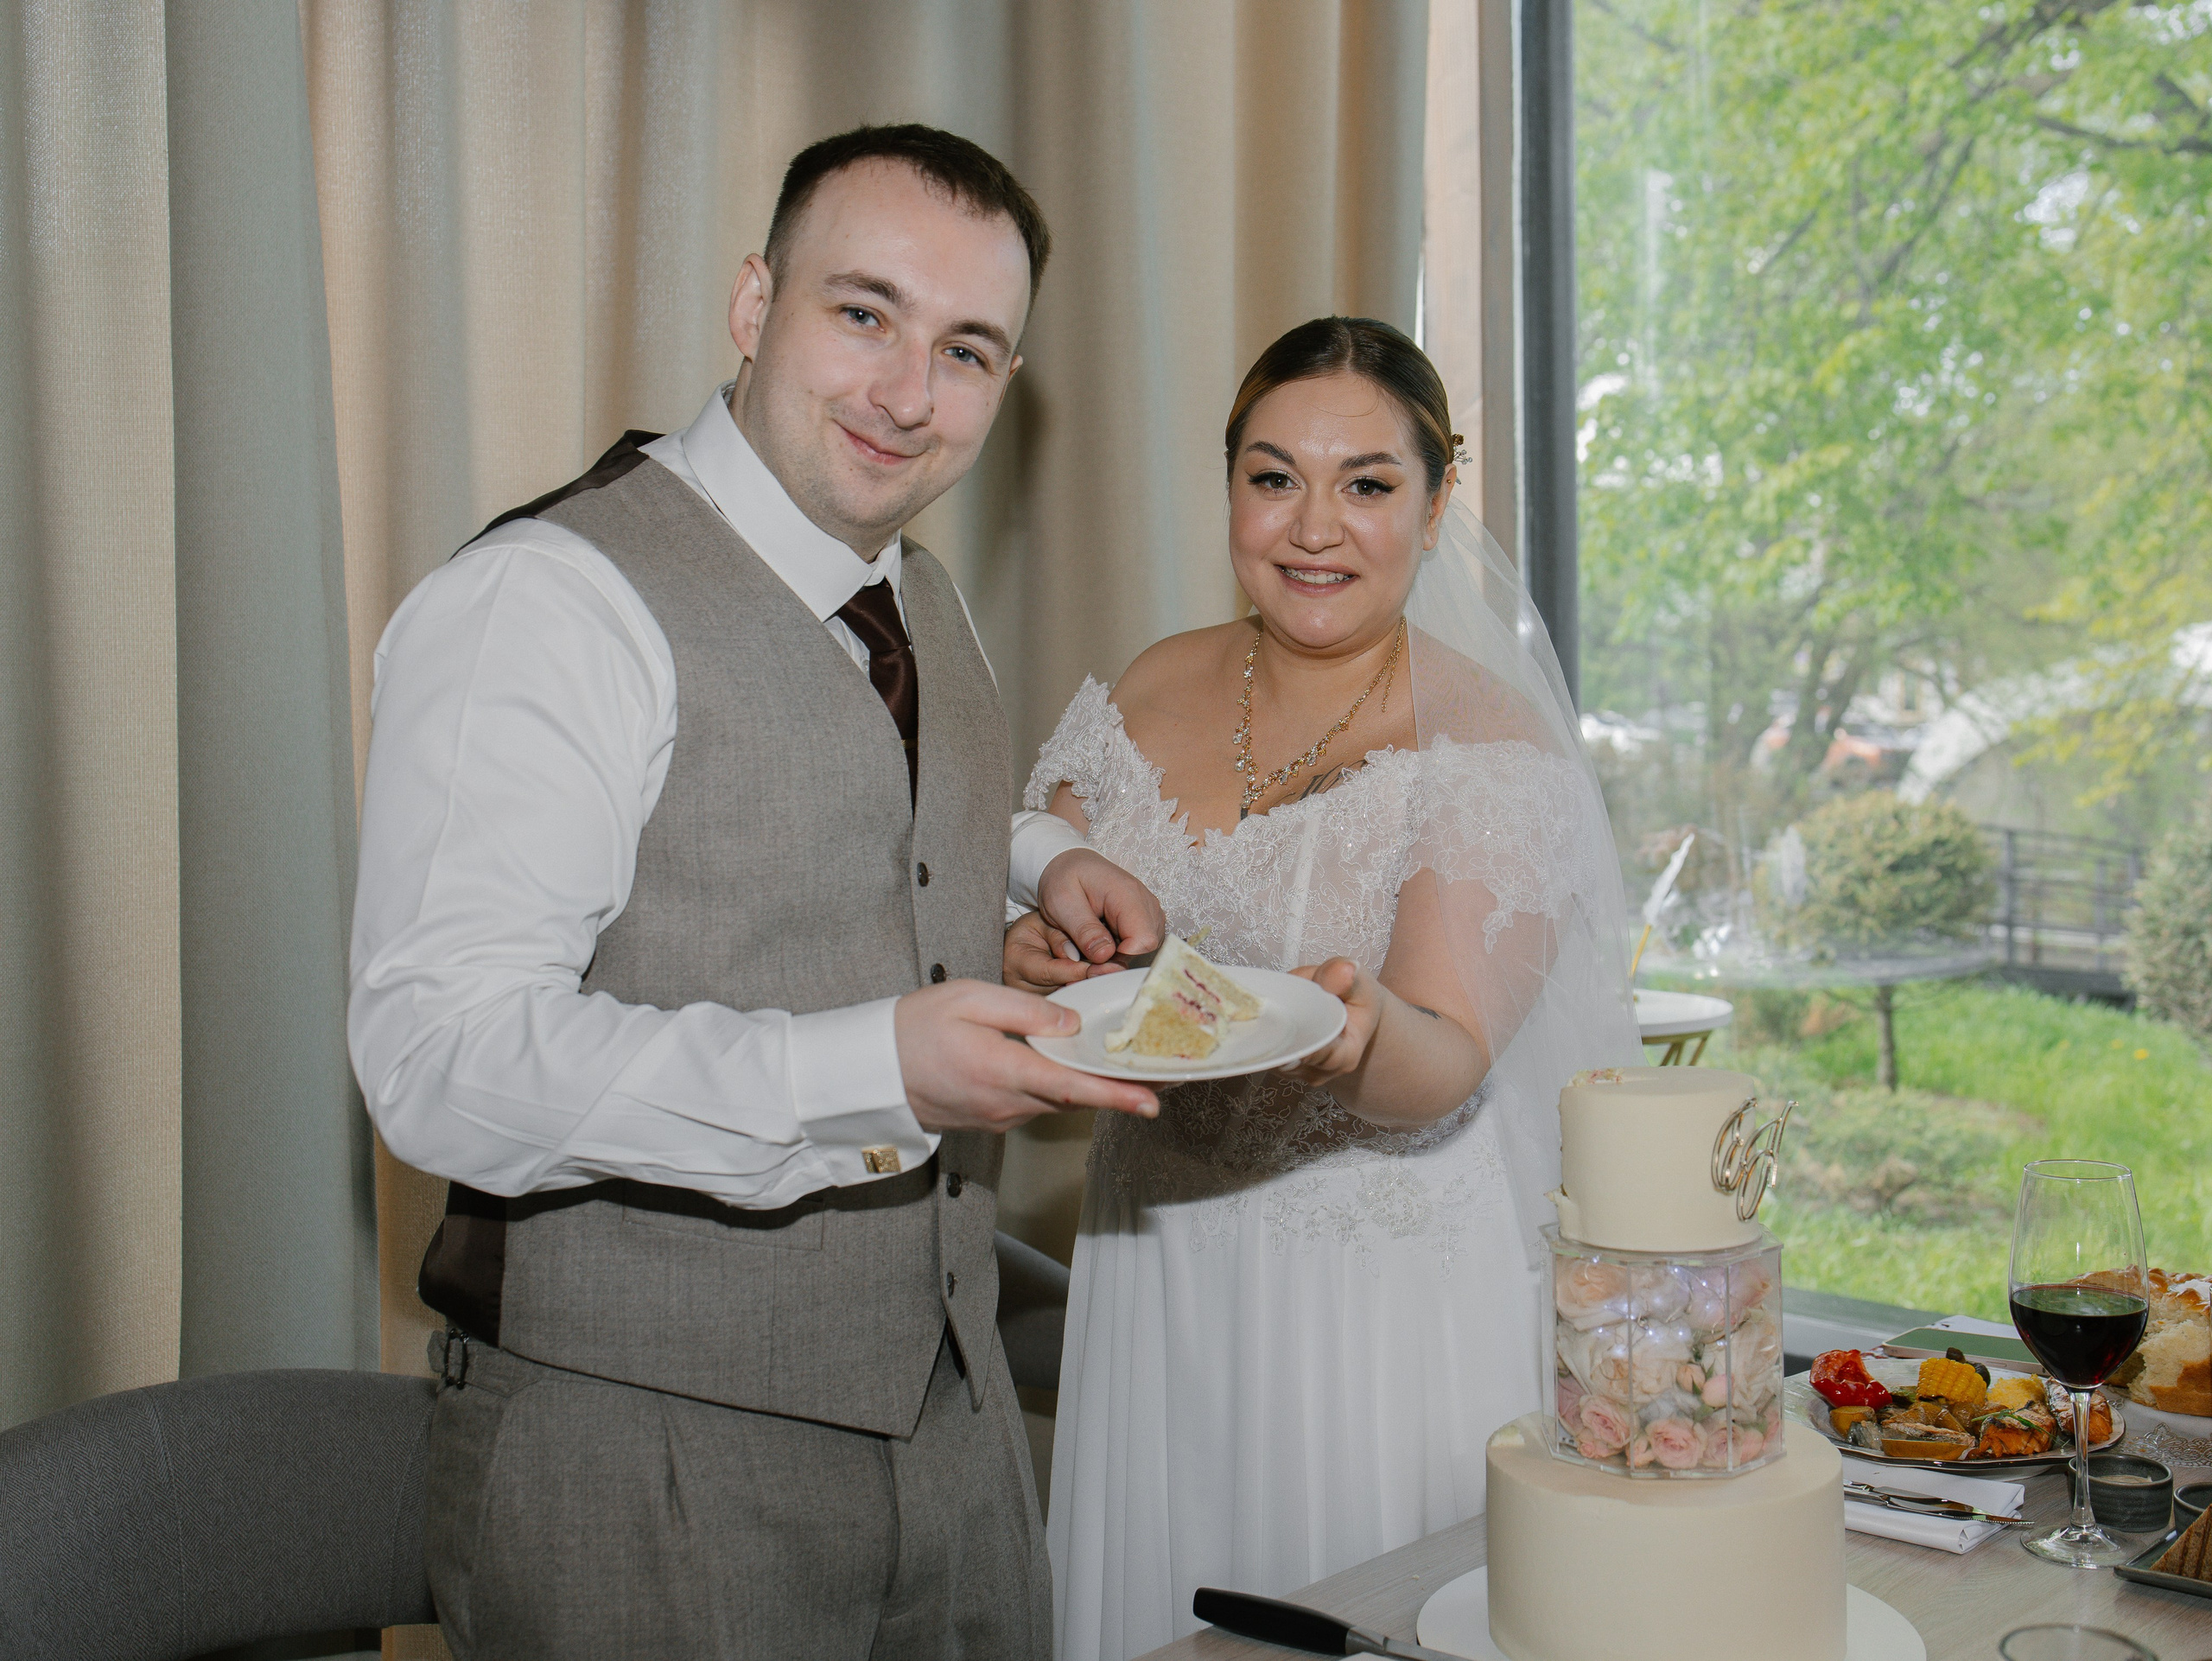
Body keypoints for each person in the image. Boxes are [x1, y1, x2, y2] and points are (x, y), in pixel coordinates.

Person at [347, 124, 1165, 1661]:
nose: (908, 394)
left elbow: (854, 800)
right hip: (646, 1464)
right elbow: (441, 1062)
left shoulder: (915, 591)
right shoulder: (552, 603)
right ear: (751, 302)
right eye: (863, 313)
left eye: (968, 350)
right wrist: (879, 1065)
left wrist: (1036, 862)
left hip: (954, 1433)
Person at [1006, 317, 1642, 1661]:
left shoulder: (1488, 740)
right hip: (1160, 1260)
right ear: (1229, 484)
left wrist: (1354, 1038)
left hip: (1373, 1292)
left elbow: (1447, 1054)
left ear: (1435, 499)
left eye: (1367, 484)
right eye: (1272, 475)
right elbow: (1040, 914)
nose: (1314, 528)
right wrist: (1037, 954)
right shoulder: (1149, 687)